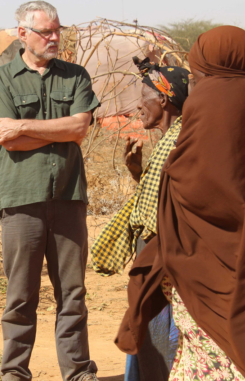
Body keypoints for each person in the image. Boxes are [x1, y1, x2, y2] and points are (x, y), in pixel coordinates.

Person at [115, 26, 245, 381]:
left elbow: (200, 197)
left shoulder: (212, 116)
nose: (195, 89)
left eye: (198, 78)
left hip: (211, 292)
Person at [0, 1, 100, 381]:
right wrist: (49, 131)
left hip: (68, 197)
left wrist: (22, 127)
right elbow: (10, 144)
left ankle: (78, 372)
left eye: (57, 30)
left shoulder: (76, 76)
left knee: (73, 293)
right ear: (23, 34)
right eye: (45, 32)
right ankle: (14, 373)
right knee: (20, 295)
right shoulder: (1, 79)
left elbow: (80, 129)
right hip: (21, 199)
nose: (54, 38)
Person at [92, 59, 190, 380]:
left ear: (163, 100)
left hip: (164, 265)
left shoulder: (178, 141)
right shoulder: (169, 140)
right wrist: (139, 173)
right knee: (144, 334)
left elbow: (166, 212)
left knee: (159, 338)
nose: (138, 104)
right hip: (155, 259)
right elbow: (161, 200)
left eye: (144, 95)